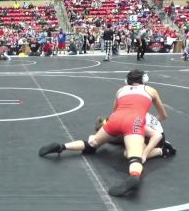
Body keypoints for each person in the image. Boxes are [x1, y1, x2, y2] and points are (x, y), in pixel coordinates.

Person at [39, 69, 168, 197]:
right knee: (135, 157)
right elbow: (163, 115)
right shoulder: (151, 90)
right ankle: (134, 177)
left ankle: (62, 146)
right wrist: (150, 119)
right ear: (144, 80)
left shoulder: (121, 90)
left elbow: (115, 110)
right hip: (134, 122)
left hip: (115, 119)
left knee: (92, 143)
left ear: (127, 81)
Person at [95, 113, 176, 159]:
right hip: (154, 132)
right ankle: (159, 144)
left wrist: (144, 155)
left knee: (129, 154)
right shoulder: (127, 113)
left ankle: (161, 151)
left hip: (156, 137)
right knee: (125, 137)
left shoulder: (132, 122)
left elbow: (157, 135)